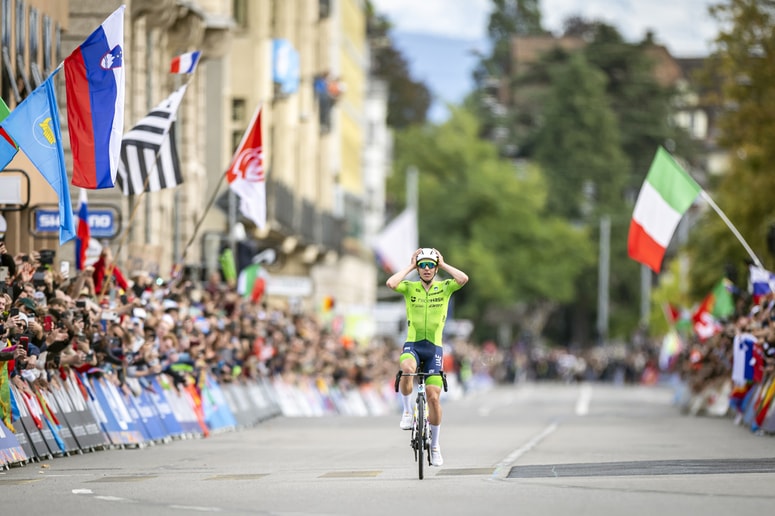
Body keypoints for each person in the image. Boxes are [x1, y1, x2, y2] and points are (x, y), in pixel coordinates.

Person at [386, 247, 468, 466]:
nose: (426, 269)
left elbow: (463, 278)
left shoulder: (445, 287)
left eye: (430, 265)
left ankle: (435, 446)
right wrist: (411, 266)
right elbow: (391, 284)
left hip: (434, 349)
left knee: (433, 397)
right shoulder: (410, 287)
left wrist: (443, 263)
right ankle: (406, 411)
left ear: (435, 266)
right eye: (423, 265)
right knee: (407, 369)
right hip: (413, 344)